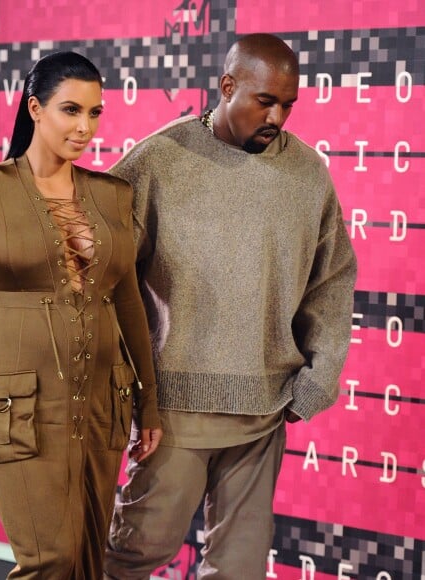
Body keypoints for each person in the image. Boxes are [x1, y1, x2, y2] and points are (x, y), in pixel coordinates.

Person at [104, 33, 357, 579]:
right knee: (134, 554)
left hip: (264, 411)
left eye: (288, 104)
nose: (278, 116)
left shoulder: (308, 174)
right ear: (226, 86)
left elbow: (332, 279)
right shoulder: (158, 161)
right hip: (173, 410)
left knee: (239, 569)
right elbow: (101, 276)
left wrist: (319, 377)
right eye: (265, 100)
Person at [0, 51, 163, 579]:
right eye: (70, 110)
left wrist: (149, 402)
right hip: (12, 403)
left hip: (102, 400)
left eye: (94, 113)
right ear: (35, 108)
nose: (85, 127)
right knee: (51, 559)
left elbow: (129, 302)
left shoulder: (113, 195)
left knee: (87, 556)